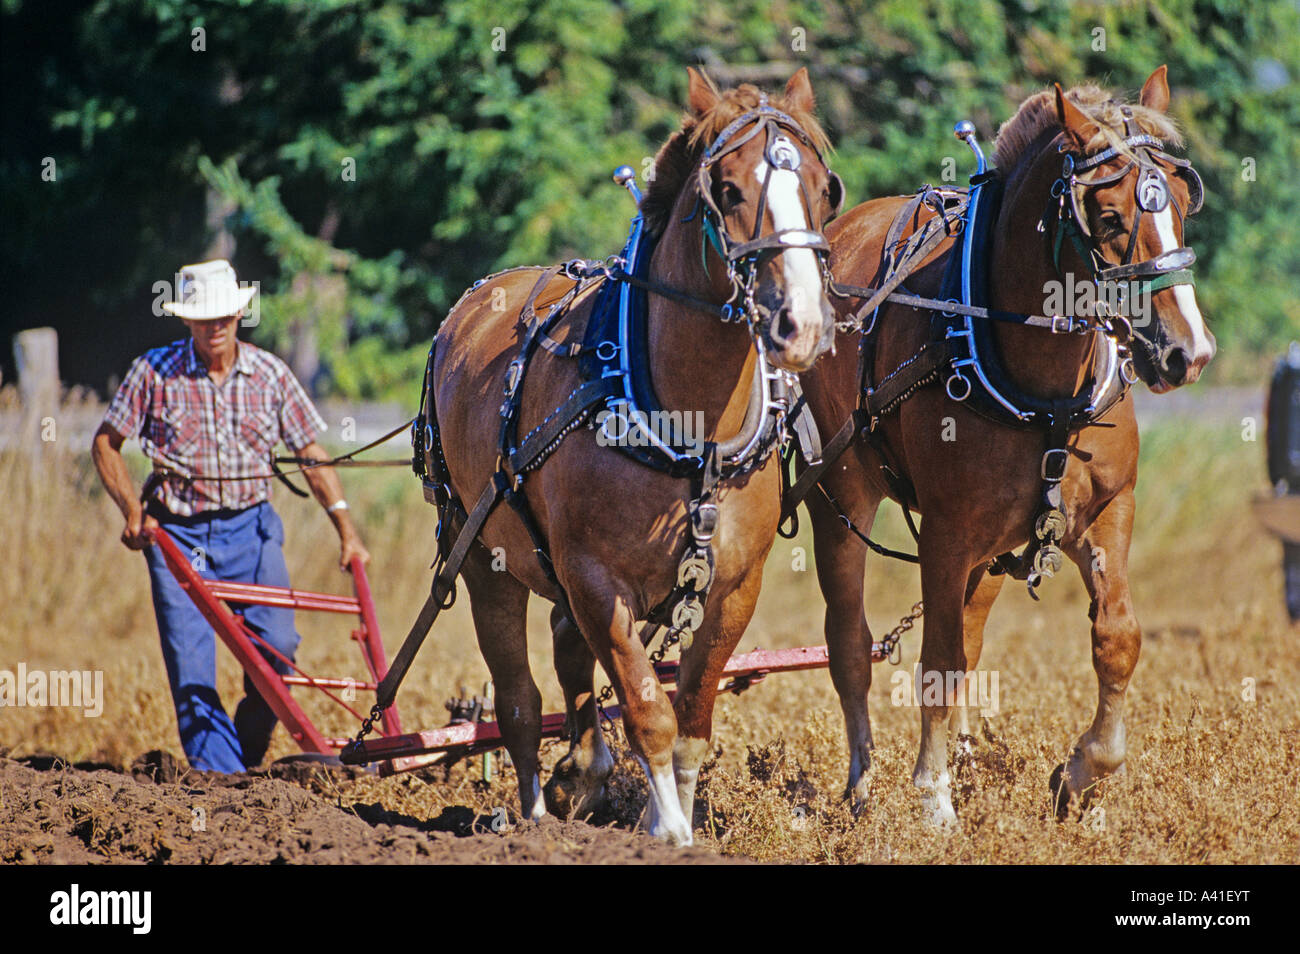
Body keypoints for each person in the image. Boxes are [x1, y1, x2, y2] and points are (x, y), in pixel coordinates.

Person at [91, 259, 370, 772]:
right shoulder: (153, 372)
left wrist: (347, 531)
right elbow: (106, 445)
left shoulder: (270, 375)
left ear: (240, 314)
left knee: (277, 651)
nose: (214, 327)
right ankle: (223, 781)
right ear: (186, 321)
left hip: (252, 531)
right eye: (203, 318)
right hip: (178, 537)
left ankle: (241, 758)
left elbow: (311, 455)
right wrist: (133, 511)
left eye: (223, 316)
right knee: (193, 668)